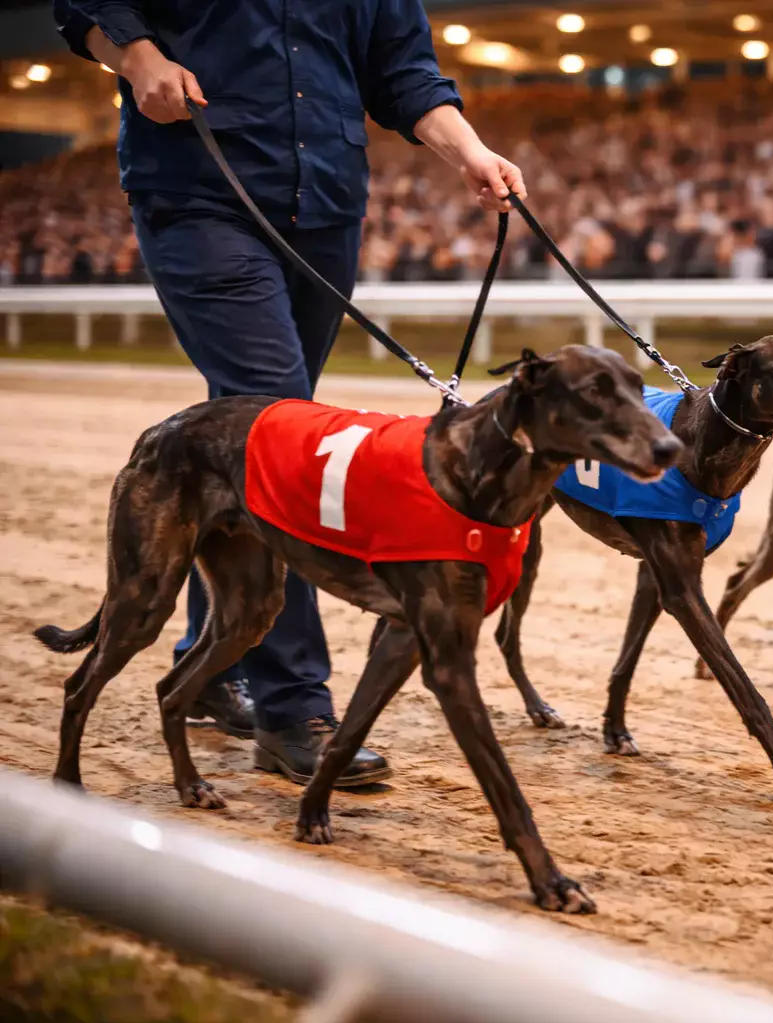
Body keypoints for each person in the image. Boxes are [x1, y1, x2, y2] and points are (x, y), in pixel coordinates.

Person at [53, 0, 526, 784]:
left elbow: (403, 72)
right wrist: (137, 57)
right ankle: (292, 705)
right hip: (202, 191)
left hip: (326, 204)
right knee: (282, 429)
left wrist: (470, 150)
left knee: (257, 438)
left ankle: (212, 664)